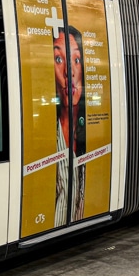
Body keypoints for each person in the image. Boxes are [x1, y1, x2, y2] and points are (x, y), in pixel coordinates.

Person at [54, 25, 86, 226]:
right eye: (58, 59)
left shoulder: (93, 131)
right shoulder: (43, 135)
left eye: (76, 60)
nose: (70, 72)